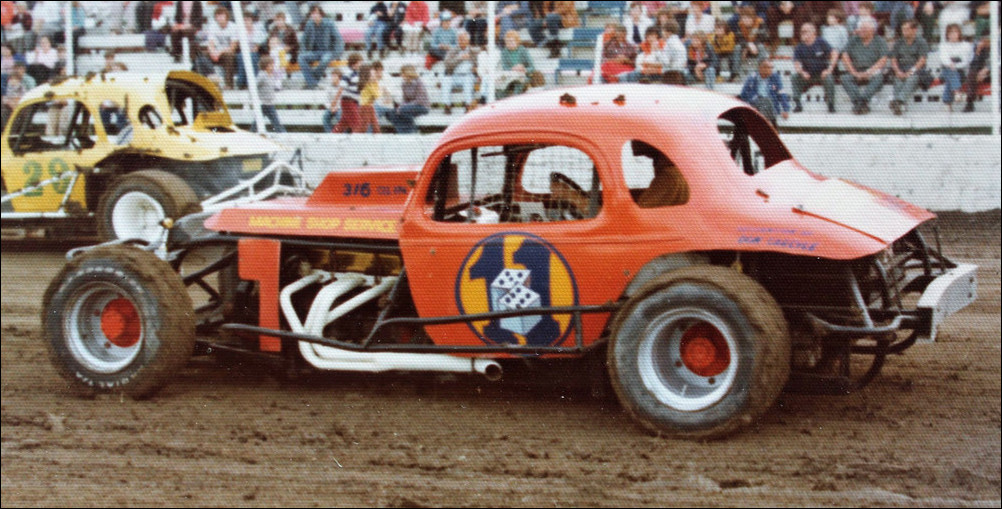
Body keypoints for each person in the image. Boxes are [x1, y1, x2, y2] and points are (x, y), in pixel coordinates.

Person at [841, 17, 887, 115]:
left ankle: (863, 101)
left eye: (864, 29)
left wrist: (868, 72)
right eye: (860, 28)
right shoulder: (853, 40)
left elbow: (883, 59)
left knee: (879, 78)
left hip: (872, 71)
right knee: (845, 78)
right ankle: (858, 102)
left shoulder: (880, 41)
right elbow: (844, 56)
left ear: (872, 30)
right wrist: (854, 72)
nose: (861, 30)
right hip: (856, 71)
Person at [790, 22, 837, 113]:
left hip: (821, 74)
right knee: (794, 77)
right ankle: (797, 104)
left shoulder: (821, 42)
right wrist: (802, 72)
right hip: (808, 75)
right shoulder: (799, 47)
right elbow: (796, 63)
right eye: (802, 32)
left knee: (829, 78)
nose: (803, 34)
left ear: (813, 32)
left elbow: (834, 53)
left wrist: (829, 69)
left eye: (805, 31)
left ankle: (831, 105)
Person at [888, 20, 929, 115]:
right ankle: (899, 105)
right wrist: (898, 71)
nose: (904, 31)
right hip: (901, 68)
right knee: (898, 80)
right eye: (903, 29)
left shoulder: (921, 42)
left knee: (912, 79)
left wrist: (910, 72)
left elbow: (922, 60)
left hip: (916, 70)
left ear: (914, 30)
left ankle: (898, 101)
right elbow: (893, 59)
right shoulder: (898, 42)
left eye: (907, 29)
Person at [300, 5, 344, 90]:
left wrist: (336, 55)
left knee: (325, 60)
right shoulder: (309, 24)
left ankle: (311, 82)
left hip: (328, 51)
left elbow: (339, 40)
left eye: (316, 13)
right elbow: (303, 41)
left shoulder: (329, 23)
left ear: (321, 14)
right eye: (312, 13)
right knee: (301, 57)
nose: (314, 15)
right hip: (314, 52)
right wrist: (304, 51)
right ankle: (313, 83)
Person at [739, 59, 790, 127]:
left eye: (772, 67)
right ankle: (770, 126)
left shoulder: (775, 77)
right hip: (755, 105)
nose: (771, 69)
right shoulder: (752, 77)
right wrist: (755, 98)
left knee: (766, 101)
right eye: (768, 67)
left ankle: (766, 126)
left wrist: (785, 109)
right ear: (761, 68)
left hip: (771, 105)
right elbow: (744, 94)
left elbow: (782, 93)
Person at [441, 31, 479, 114]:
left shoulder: (473, 51)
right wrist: (460, 58)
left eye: (463, 40)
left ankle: (468, 105)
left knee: (467, 80)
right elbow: (447, 65)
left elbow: (479, 64)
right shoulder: (453, 51)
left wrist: (475, 67)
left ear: (468, 41)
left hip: (469, 75)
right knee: (446, 80)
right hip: (454, 75)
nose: (461, 41)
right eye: (460, 39)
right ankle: (447, 105)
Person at [938, 23, 972, 113]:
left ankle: (947, 103)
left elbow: (965, 62)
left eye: (955, 32)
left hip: (961, 73)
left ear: (959, 33)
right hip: (945, 71)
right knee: (950, 71)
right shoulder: (943, 45)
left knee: (951, 74)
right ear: (947, 34)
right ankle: (957, 92)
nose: (953, 34)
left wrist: (955, 65)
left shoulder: (965, 45)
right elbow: (944, 59)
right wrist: (950, 64)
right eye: (950, 32)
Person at [387, 65, 429, 134]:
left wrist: (404, 107)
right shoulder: (404, 84)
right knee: (391, 113)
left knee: (403, 111)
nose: (401, 75)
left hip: (422, 106)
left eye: (402, 73)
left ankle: (412, 130)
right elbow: (405, 99)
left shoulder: (419, 82)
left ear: (408, 73)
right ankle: (404, 133)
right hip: (409, 107)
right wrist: (401, 106)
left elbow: (420, 100)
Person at [205, 7, 239, 90]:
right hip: (216, 53)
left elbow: (233, 47)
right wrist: (213, 52)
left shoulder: (233, 27)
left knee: (229, 56)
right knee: (202, 56)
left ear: (226, 16)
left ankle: (229, 84)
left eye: (222, 15)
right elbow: (210, 43)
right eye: (217, 16)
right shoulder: (212, 26)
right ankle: (205, 83)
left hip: (227, 52)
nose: (219, 18)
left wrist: (219, 52)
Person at [497, 30, 535, 99]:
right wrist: (513, 69)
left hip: (523, 76)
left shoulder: (523, 50)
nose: (509, 43)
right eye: (507, 41)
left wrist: (524, 69)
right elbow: (505, 67)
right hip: (509, 77)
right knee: (499, 87)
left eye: (511, 41)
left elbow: (532, 67)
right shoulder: (504, 52)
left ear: (517, 41)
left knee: (519, 83)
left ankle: (514, 103)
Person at [333, 53, 365, 133]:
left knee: (343, 123)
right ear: (354, 63)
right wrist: (334, 101)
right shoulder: (348, 73)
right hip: (348, 101)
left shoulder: (358, 74)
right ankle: (357, 142)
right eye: (360, 62)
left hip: (354, 102)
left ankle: (332, 137)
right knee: (357, 123)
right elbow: (341, 88)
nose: (361, 64)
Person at [252, 56, 285, 133]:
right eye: (271, 65)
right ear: (265, 66)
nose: (273, 66)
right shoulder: (262, 75)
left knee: (258, 121)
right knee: (275, 121)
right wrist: (254, 98)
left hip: (269, 102)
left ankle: (251, 133)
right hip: (263, 103)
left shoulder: (271, 75)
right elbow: (254, 86)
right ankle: (282, 133)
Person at [733, 6, 764, 76]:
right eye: (744, 18)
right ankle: (736, 73)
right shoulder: (740, 25)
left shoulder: (760, 23)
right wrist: (748, 45)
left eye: (748, 18)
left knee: (761, 47)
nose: (746, 20)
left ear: (753, 17)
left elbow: (763, 37)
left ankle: (762, 71)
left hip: (756, 48)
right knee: (737, 48)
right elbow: (738, 39)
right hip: (745, 47)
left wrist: (753, 44)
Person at [962, 37, 990, 112]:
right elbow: (973, 63)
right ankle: (970, 103)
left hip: (995, 71)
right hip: (981, 73)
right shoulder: (979, 47)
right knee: (972, 73)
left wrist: (987, 69)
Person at [358, 62, 384, 134]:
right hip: (365, 107)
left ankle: (378, 137)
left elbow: (376, 93)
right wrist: (379, 86)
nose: (374, 76)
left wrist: (376, 83)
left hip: (370, 106)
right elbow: (377, 95)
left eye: (374, 74)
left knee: (375, 125)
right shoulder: (367, 84)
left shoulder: (372, 84)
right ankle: (355, 139)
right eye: (372, 74)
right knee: (363, 127)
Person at [322, 68, 343, 133]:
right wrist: (331, 107)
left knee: (340, 117)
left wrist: (337, 107)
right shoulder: (329, 87)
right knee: (325, 117)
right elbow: (326, 100)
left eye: (334, 76)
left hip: (340, 108)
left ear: (339, 77)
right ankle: (330, 134)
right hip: (331, 108)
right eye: (332, 76)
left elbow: (343, 100)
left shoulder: (343, 87)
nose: (332, 78)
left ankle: (341, 134)